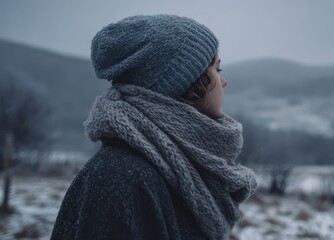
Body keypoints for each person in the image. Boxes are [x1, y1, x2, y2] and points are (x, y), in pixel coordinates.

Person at [51, 14, 257, 240]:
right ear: (188, 82)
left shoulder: (175, 168)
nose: (223, 81)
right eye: (217, 69)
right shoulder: (120, 179)